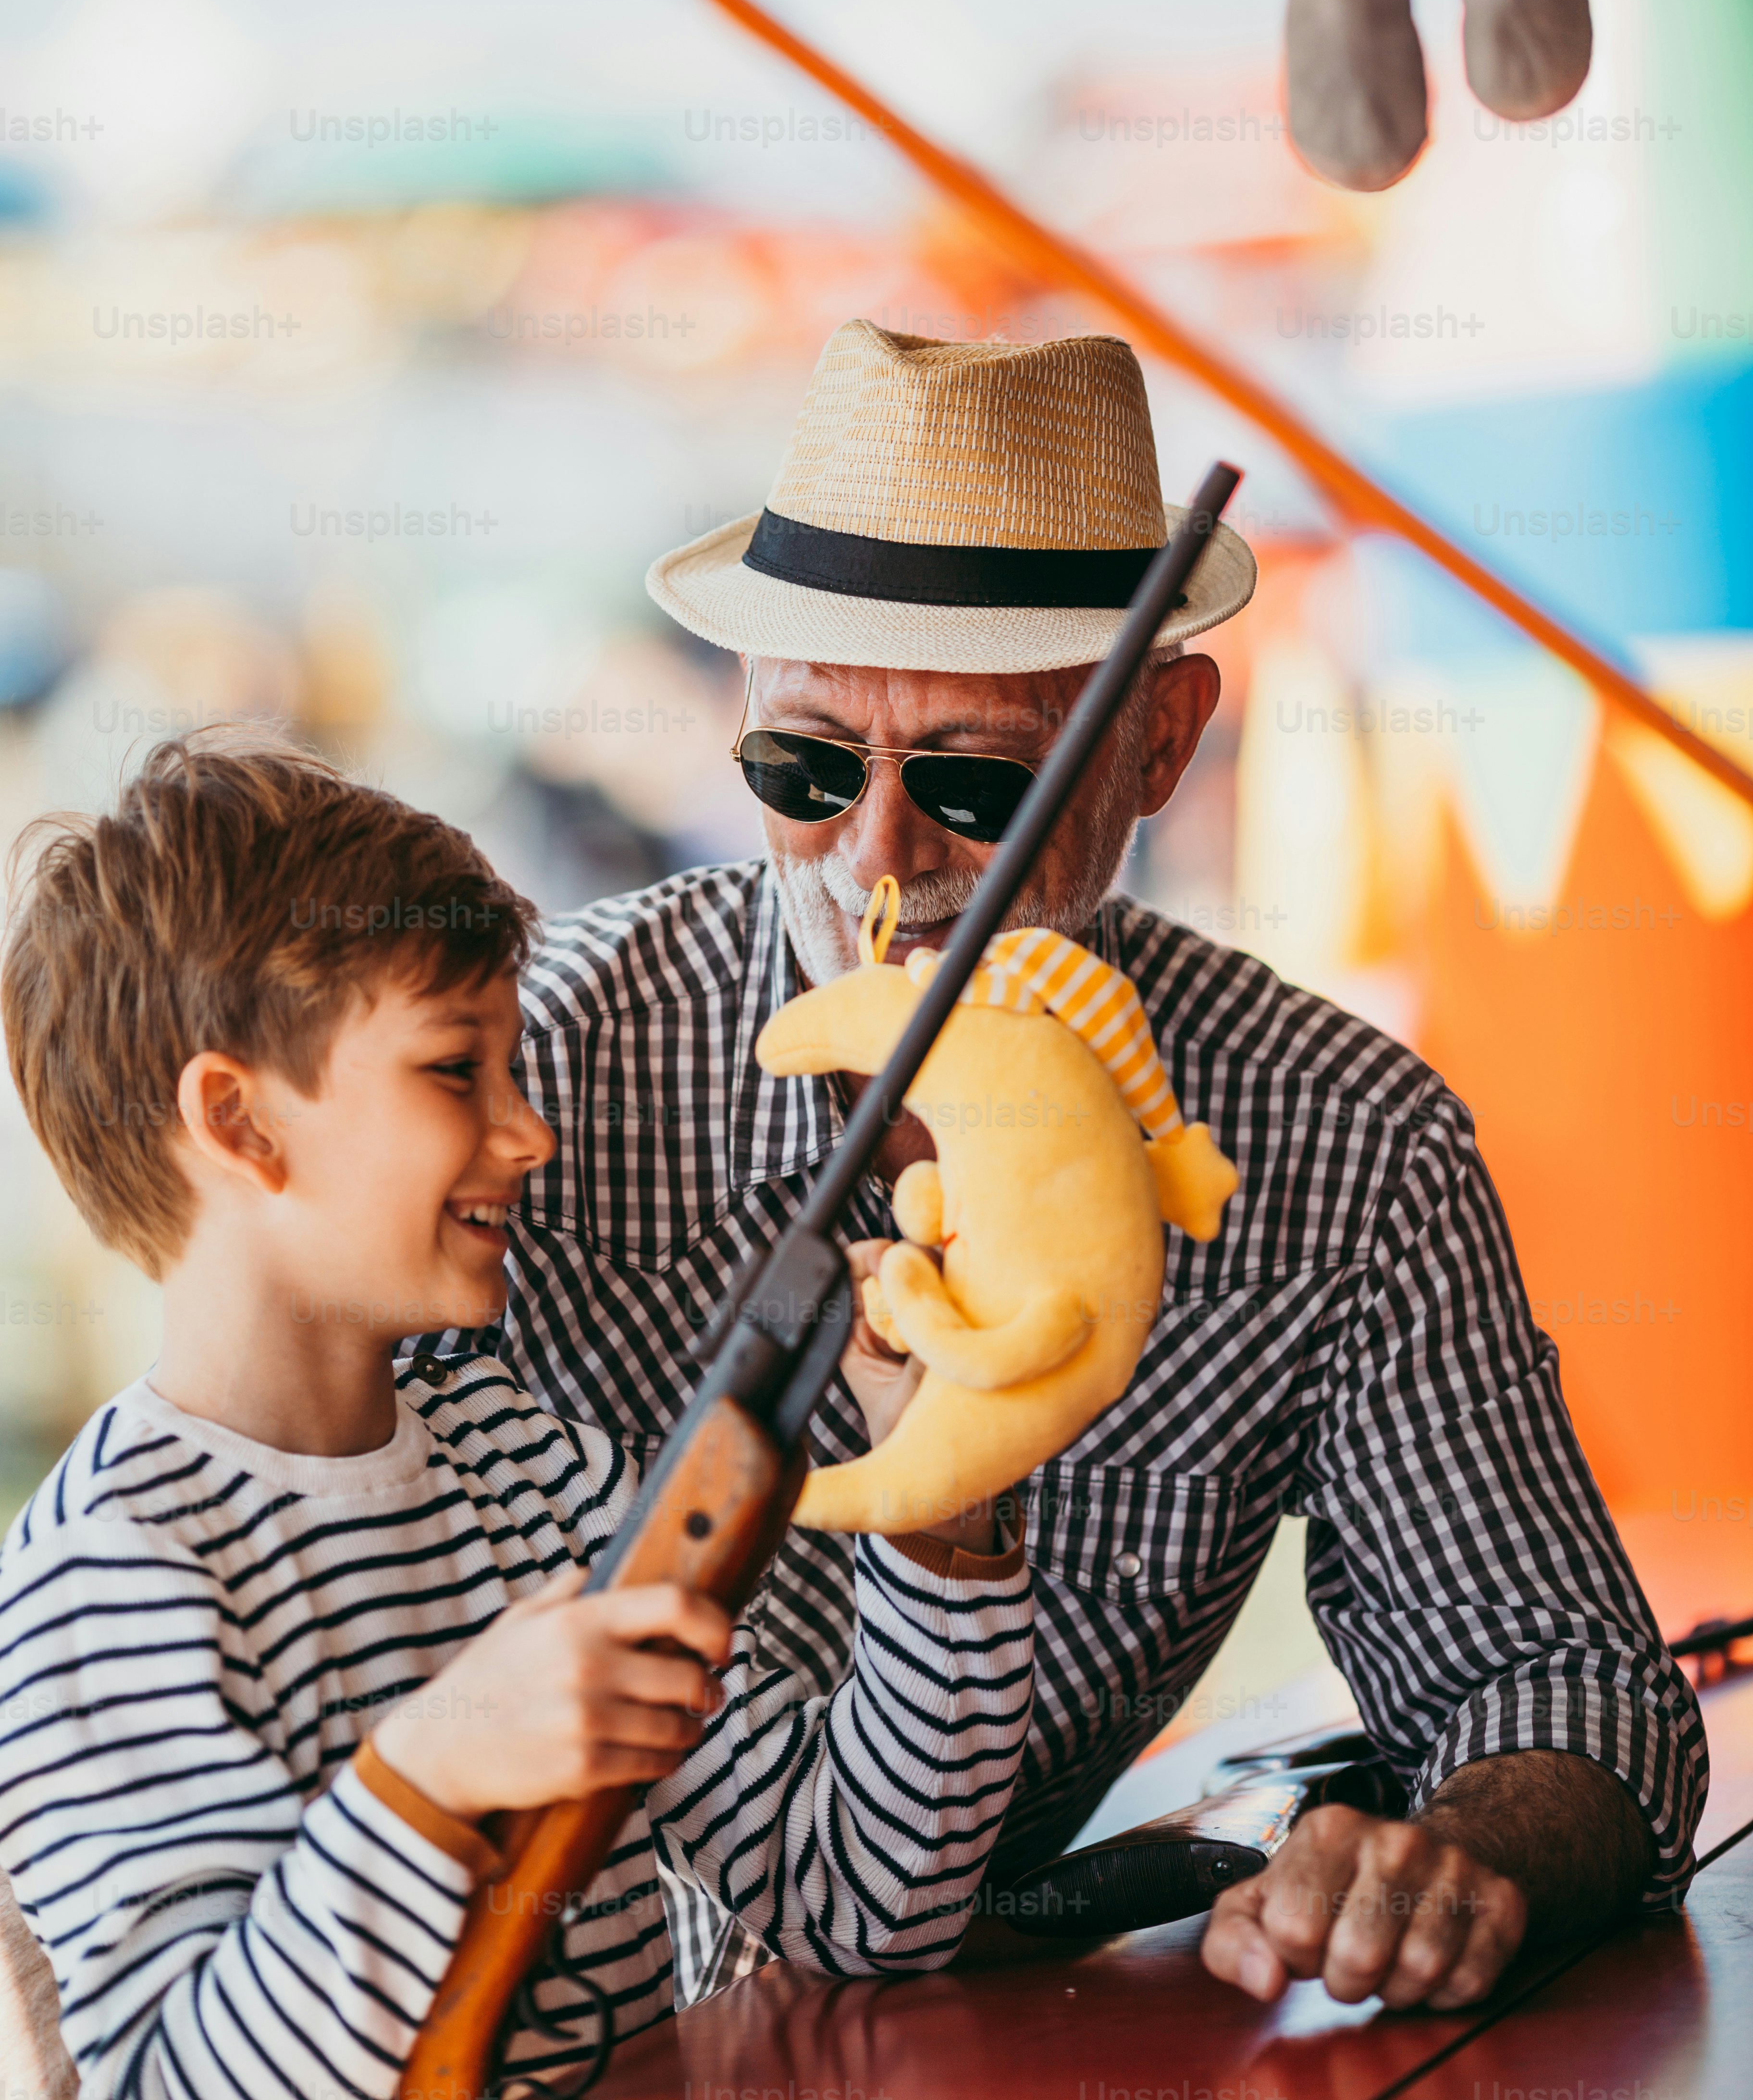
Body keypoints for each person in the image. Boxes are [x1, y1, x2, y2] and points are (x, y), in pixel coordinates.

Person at [508, 318, 1707, 2014]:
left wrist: (1462, 1862)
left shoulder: (1340, 1143)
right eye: (805, 766)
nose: (879, 852)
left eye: (977, 780)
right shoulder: (530, 1070)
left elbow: (1561, 1675)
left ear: (1159, 744)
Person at [0, 742, 1034, 2100]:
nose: (531, 1131)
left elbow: (866, 1906)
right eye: (454, 1074)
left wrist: (937, 1503)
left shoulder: (522, 1462)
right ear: (241, 1122)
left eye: (515, 1068)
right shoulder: (114, 1580)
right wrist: (429, 1771)